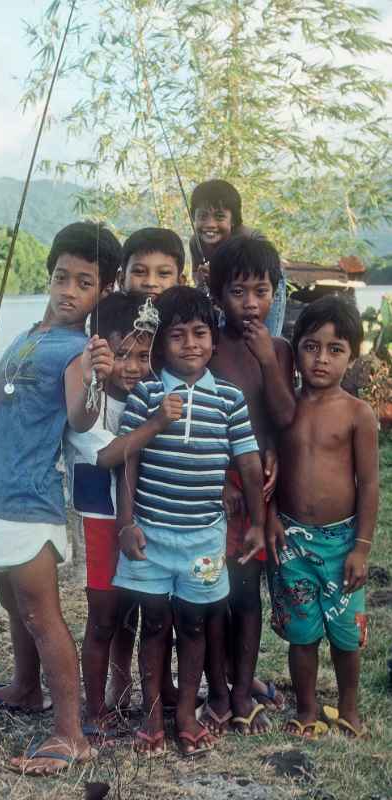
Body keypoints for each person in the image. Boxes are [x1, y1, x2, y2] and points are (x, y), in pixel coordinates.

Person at [0, 221, 122, 776]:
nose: (69, 290)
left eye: (85, 282)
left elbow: (80, 416)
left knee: (41, 614)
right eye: (61, 277)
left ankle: (70, 734)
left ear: (102, 292)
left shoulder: (80, 350)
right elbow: (7, 401)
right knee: (11, 604)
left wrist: (98, 379)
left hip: (30, 501)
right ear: (49, 278)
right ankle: (26, 687)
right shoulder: (28, 333)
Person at [113, 286, 266, 756]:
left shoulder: (229, 400)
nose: (190, 344)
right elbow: (126, 463)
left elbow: (248, 463)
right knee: (155, 625)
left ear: (213, 341)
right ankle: (153, 716)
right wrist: (126, 523)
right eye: (177, 336)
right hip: (151, 537)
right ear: (162, 344)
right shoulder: (146, 395)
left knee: (195, 625)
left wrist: (258, 522)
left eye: (200, 333)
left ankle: (186, 715)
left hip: (204, 539)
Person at [64, 292, 183, 740]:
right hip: (100, 520)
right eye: (121, 355)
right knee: (104, 618)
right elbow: (105, 457)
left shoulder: (154, 392)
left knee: (141, 614)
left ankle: (126, 691)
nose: (133, 366)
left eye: (143, 355)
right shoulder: (90, 400)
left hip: (145, 519)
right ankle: (95, 708)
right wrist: (154, 425)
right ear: (100, 352)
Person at [267, 295, 378, 739]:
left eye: (335, 350)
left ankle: (349, 708)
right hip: (291, 539)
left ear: (351, 356)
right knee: (302, 632)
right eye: (311, 346)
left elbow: (369, 484)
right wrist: (272, 515)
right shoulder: (285, 410)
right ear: (296, 351)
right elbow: (270, 471)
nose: (322, 359)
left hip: (341, 542)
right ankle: (307, 709)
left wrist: (361, 548)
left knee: (347, 634)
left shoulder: (358, 414)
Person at [205, 236, 296, 735]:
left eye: (261, 292)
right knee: (211, 596)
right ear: (217, 295)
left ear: (275, 294)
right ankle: (216, 692)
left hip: (256, 501)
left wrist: (266, 359)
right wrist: (220, 477)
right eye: (237, 292)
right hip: (214, 494)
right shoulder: (208, 348)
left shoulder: (278, 349)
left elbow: (283, 415)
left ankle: (241, 692)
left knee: (247, 598)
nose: (250, 304)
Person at [189, 179, 286, 336]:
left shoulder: (252, 239)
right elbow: (197, 276)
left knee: (264, 335)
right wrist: (201, 280)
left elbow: (266, 276)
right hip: (230, 288)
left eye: (219, 217)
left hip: (262, 284)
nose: (210, 224)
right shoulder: (196, 242)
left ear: (233, 219)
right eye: (202, 216)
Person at [118, 226, 186, 300]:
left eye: (164, 273)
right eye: (139, 271)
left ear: (180, 282)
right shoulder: (107, 310)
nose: (150, 283)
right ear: (121, 279)